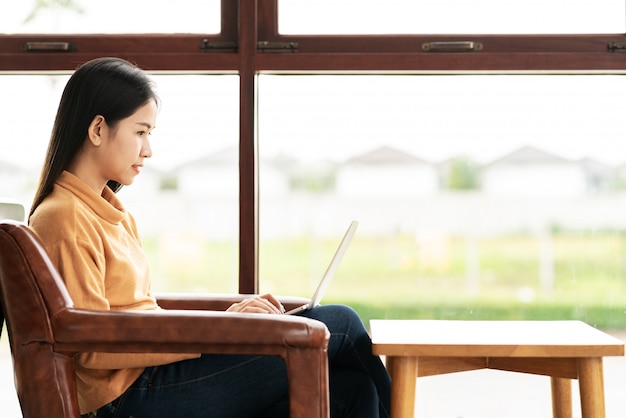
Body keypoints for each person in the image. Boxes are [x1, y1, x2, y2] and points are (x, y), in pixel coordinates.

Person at [28, 57, 391, 418]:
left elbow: (140, 314)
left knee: (351, 391)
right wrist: (221, 330)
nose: (148, 150)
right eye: (140, 132)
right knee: (339, 323)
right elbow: (92, 348)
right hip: (125, 396)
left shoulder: (109, 213)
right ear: (97, 130)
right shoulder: (63, 218)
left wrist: (229, 325)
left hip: (151, 376)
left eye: (149, 135)